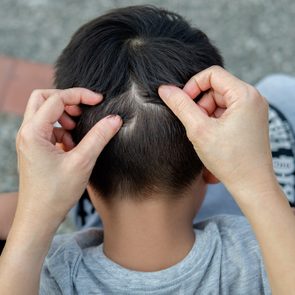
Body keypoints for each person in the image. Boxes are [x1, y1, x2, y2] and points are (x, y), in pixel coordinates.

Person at [0, 6, 295, 294]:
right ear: (213, 165)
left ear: (76, 166)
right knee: (281, 94)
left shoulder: (45, 273)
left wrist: (35, 212)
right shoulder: (264, 252)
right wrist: (256, 183)